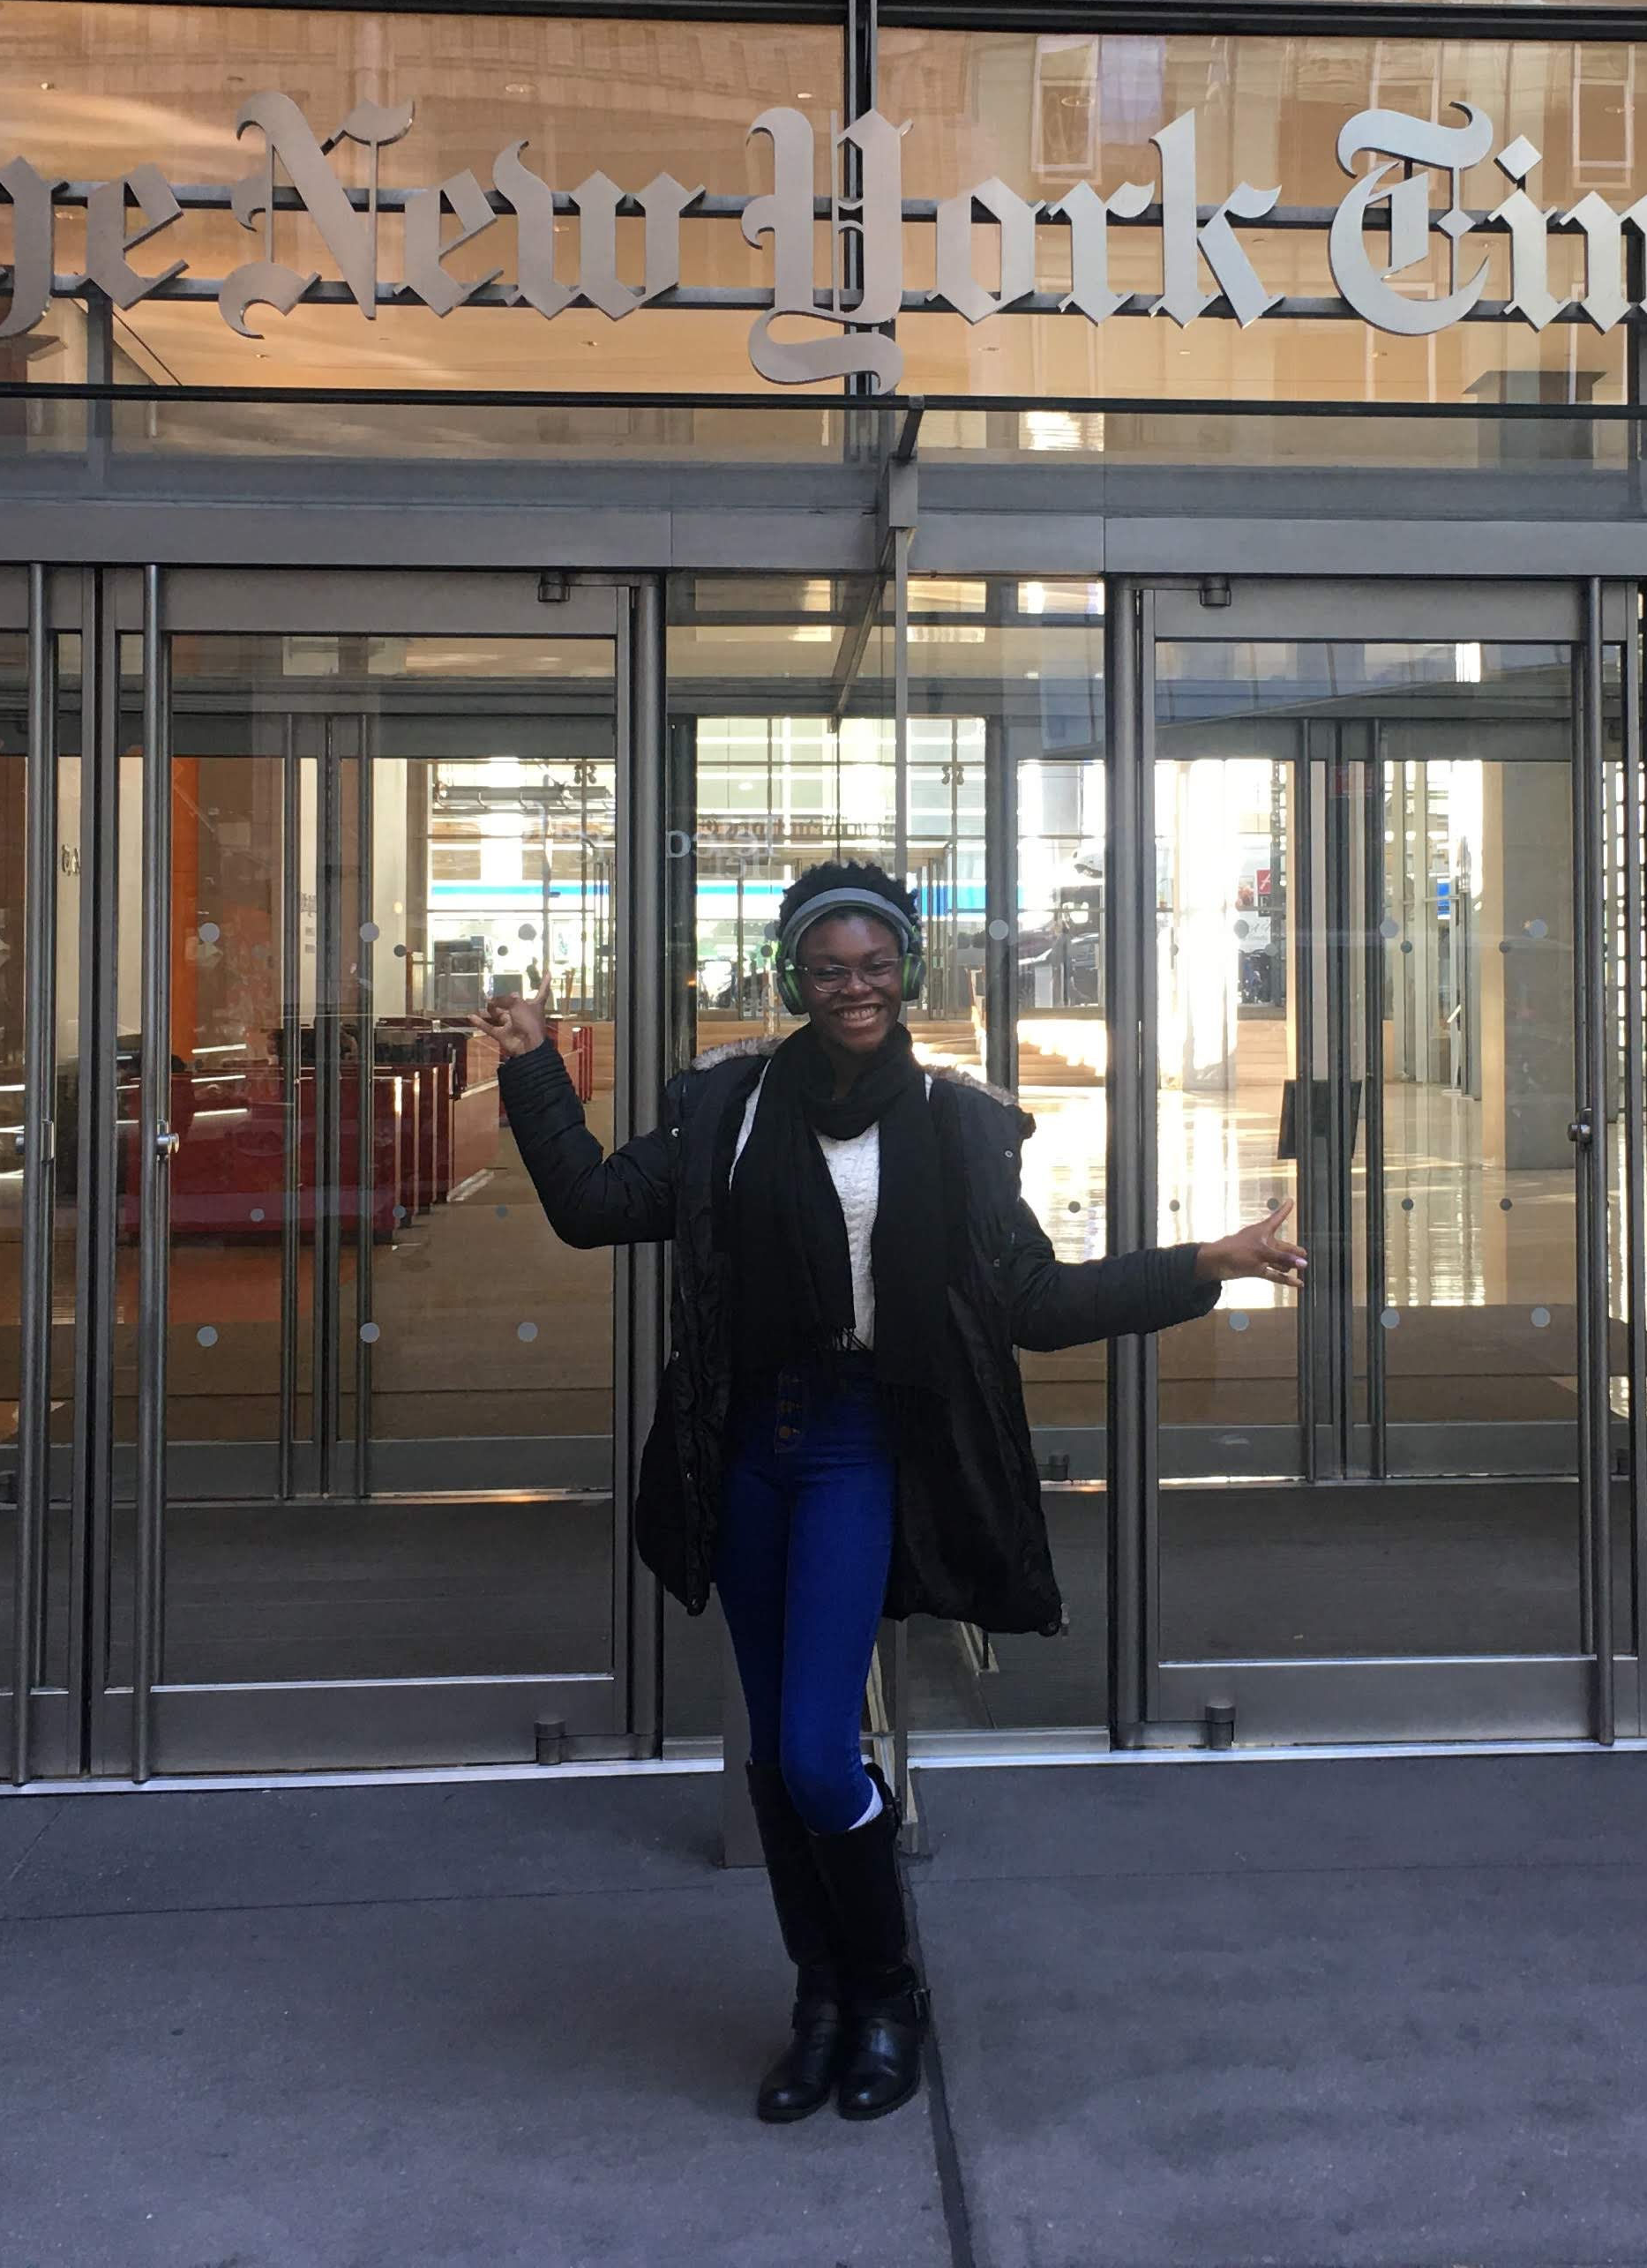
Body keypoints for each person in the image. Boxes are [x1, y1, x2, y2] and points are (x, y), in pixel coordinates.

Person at [478, 860, 1301, 2125]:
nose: (852, 989)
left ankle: (891, 1995)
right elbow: (591, 1209)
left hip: (861, 1443)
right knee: (773, 1750)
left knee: (816, 1744)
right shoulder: (731, 1109)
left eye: (874, 967)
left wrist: (1208, 1261)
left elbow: (1033, 1303)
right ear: (792, 978)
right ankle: (822, 2004)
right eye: (827, 970)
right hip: (748, 1442)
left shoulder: (952, 1125)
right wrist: (535, 1066)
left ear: (906, 971)